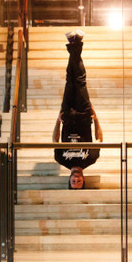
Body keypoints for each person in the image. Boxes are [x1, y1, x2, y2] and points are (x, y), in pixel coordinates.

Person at [52, 29, 103, 189]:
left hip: (66, 115)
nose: (76, 180)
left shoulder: (61, 160)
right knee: (80, 81)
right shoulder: (91, 159)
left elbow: (55, 139)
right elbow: (99, 137)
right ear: (83, 180)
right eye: (79, 182)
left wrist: (58, 121)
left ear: (69, 180)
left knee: (69, 80)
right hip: (83, 114)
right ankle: (75, 42)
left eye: (74, 182)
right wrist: (95, 117)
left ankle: (76, 42)